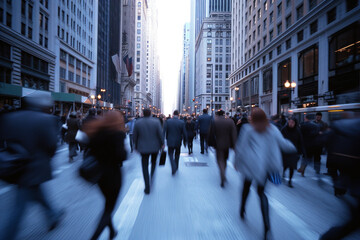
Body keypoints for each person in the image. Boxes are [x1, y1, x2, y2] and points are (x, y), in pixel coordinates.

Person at [0, 93, 65, 240]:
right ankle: (7, 235)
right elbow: (51, 145)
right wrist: (47, 157)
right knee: (19, 206)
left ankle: (53, 214)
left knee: (36, 192)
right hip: (34, 166)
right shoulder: (45, 120)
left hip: (14, 164)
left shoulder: (10, 117)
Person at [235, 108, 296, 240]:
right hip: (268, 166)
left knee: (246, 187)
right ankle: (267, 226)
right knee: (262, 193)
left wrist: (237, 162)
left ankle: (242, 209)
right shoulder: (272, 129)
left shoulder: (248, 129)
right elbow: (284, 144)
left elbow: (241, 147)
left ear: (253, 118)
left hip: (252, 166)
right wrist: (293, 147)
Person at [83, 111, 127, 240]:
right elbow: (121, 155)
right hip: (113, 175)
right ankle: (95, 236)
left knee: (108, 204)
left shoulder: (95, 131)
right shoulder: (117, 134)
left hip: (99, 175)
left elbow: (88, 150)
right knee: (109, 208)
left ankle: (112, 231)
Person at [319, 117, 360, 240]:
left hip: (350, 181)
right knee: (353, 223)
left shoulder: (346, 127)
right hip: (354, 183)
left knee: (353, 223)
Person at [133, 109, 164, 194]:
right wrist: (162, 143)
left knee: (144, 166)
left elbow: (135, 136)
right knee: (154, 162)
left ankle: (147, 186)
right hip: (155, 147)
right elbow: (160, 134)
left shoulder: (138, 122)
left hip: (143, 148)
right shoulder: (156, 122)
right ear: (150, 113)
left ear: (143, 113)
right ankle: (152, 176)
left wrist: (135, 146)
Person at [209, 110, 237, 187]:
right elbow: (234, 134)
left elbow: (211, 133)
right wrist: (234, 145)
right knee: (225, 159)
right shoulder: (230, 121)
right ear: (224, 114)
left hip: (218, 144)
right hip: (227, 144)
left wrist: (210, 143)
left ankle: (222, 175)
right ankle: (224, 172)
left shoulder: (214, 121)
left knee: (219, 160)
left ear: (217, 115)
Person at [281, 116, 305, 188]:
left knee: (292, 166)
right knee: (285, 165)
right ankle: (283, 172)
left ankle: (290, 181)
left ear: (295, 123)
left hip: (293, 152)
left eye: (292, 122)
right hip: (285, 151)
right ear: (288, 122)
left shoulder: (297, 131)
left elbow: (300, 141)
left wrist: (301, 151)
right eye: (290, 122)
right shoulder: (284, 129)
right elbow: (280, 139)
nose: (291, 124)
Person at [163, 110, 187, 175]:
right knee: (177, 154)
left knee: (170, 154)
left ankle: (173, 166)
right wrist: (185, 141)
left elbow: (163, 132)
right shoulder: (181, 122)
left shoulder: (168, 121)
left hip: (170, 141)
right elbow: (184, 133)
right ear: (178, 114)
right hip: (178, 141)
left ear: (173, 114)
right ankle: (176, 167)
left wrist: (162, 142)